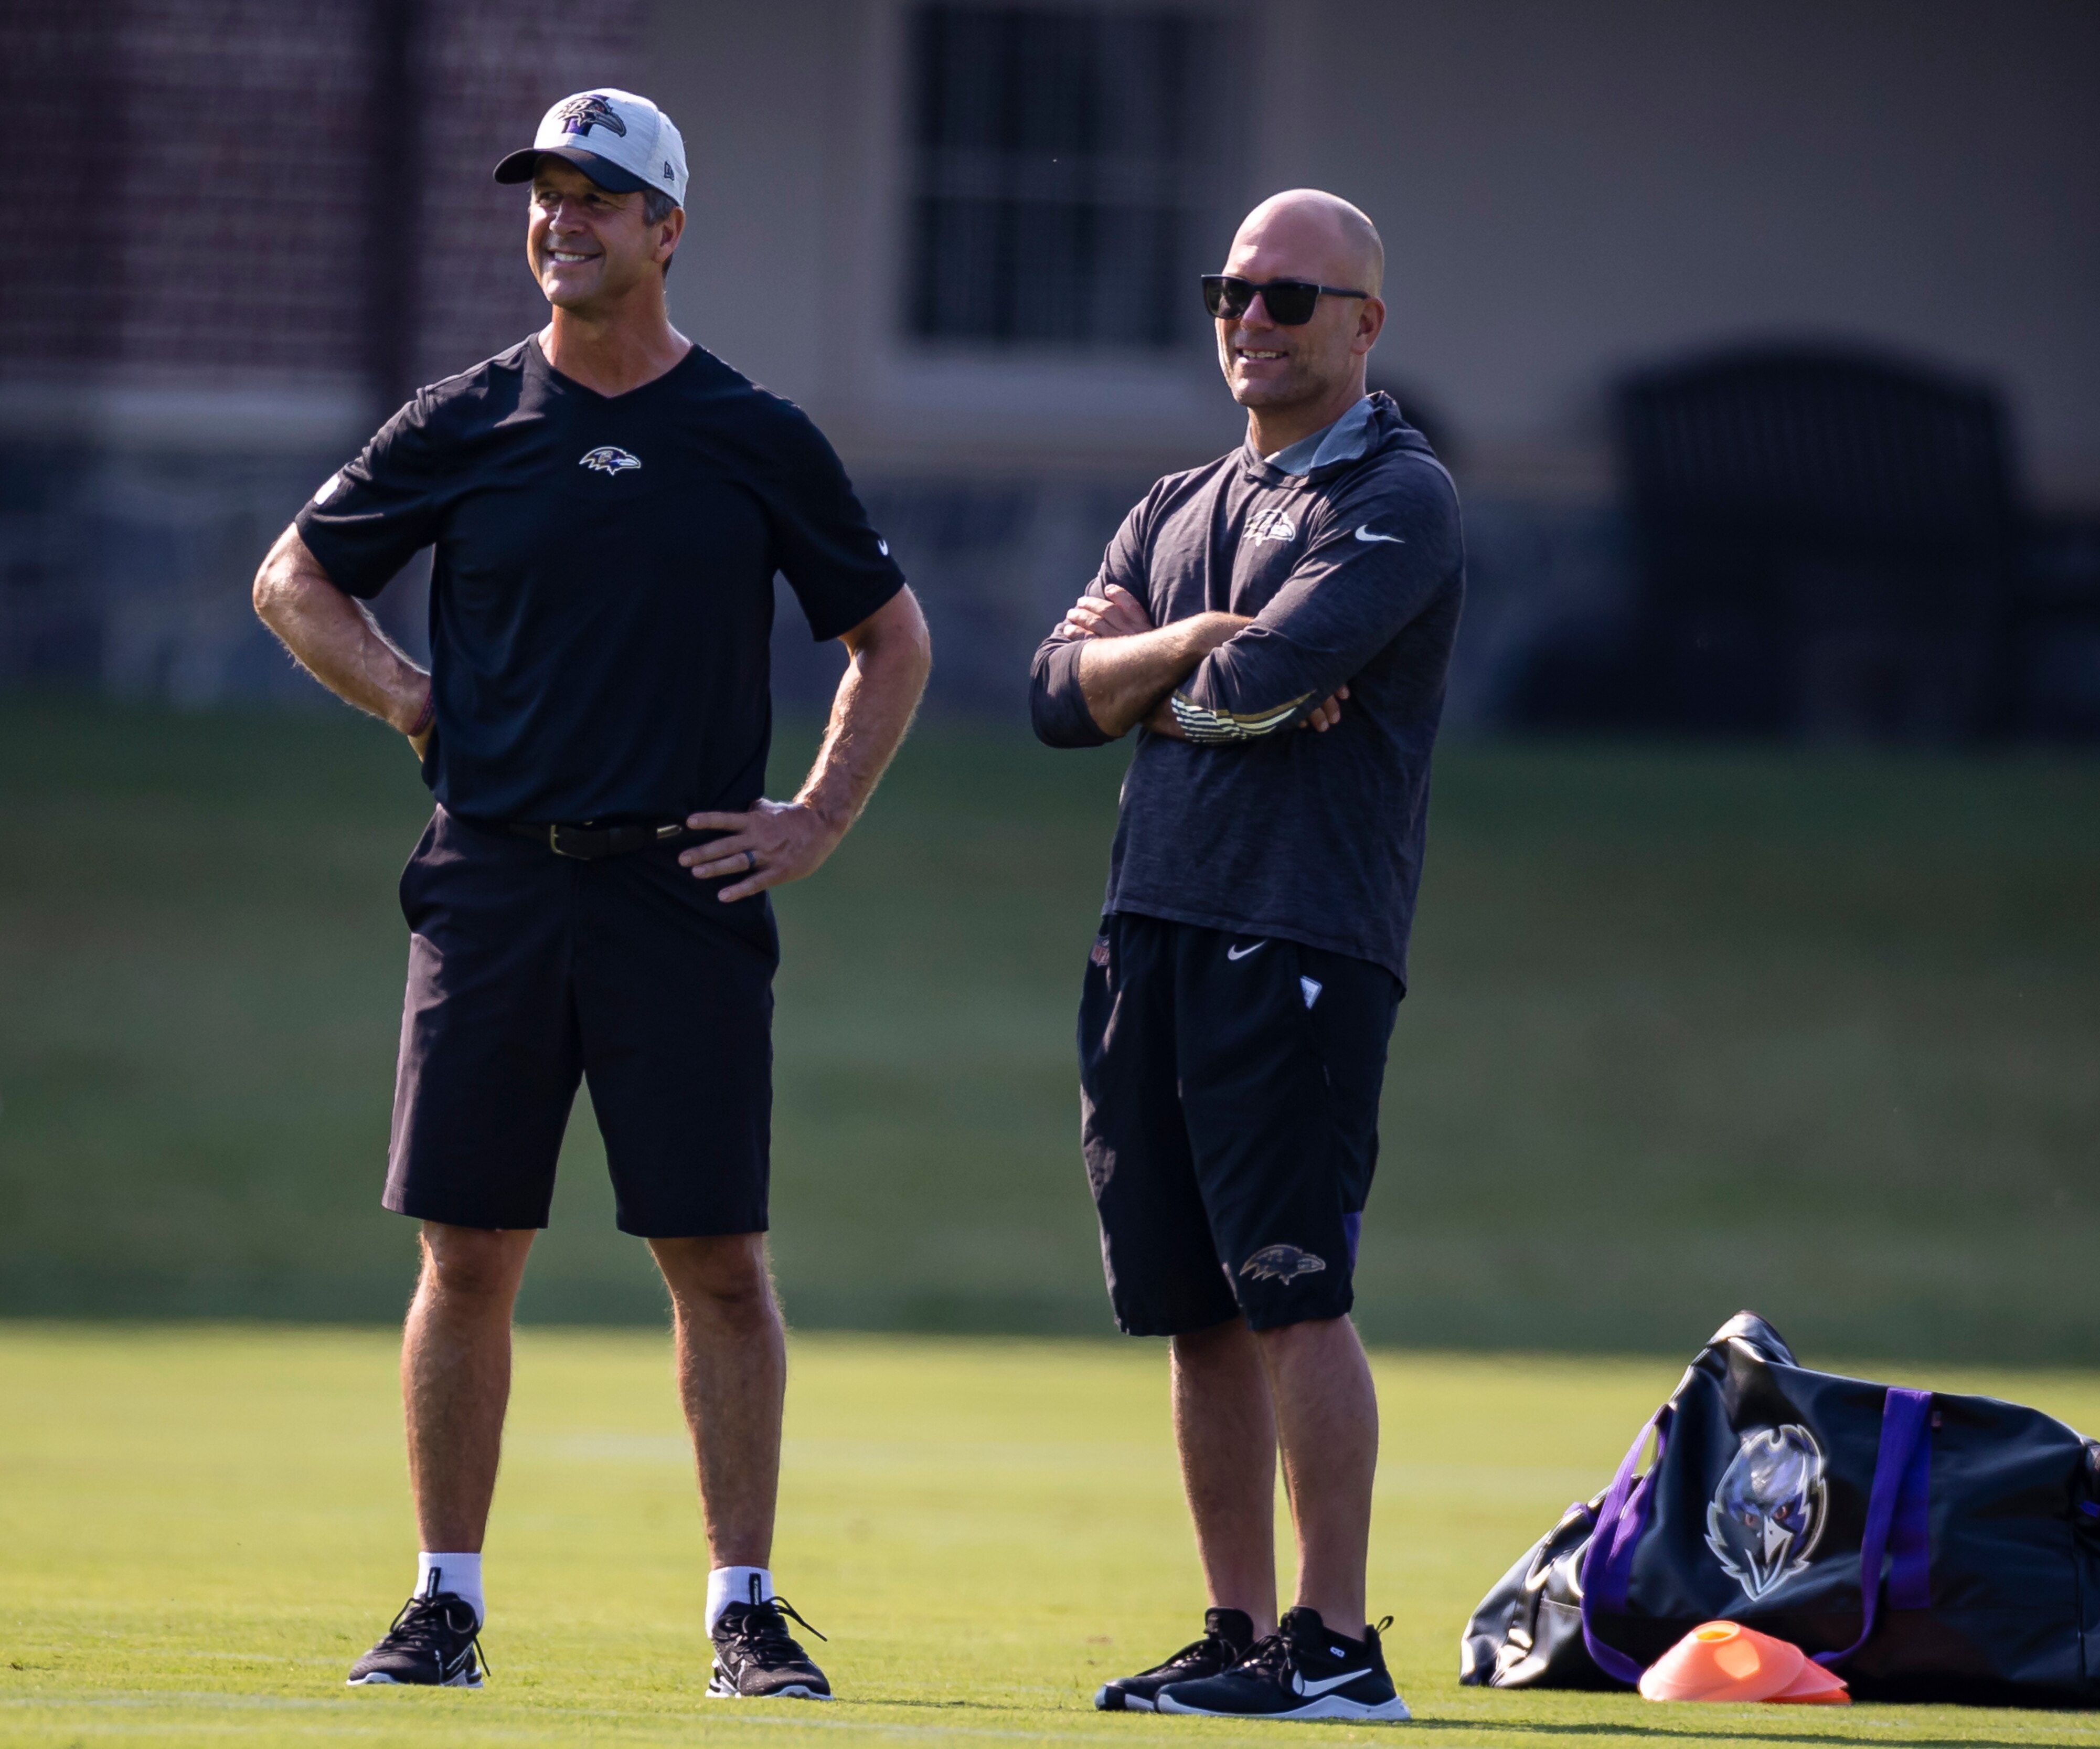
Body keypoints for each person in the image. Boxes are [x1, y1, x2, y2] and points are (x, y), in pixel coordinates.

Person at [249, 88, 930, 1700]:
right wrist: (415, 702)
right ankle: (443, 1605)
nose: (565, 221)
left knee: (715, 1258)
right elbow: (294, 576)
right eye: (546, 196)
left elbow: (887, 636)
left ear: (667, 229)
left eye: (601, 198)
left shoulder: (752, 433)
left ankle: (744, 1614)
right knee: (467, 1252)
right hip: (490, 882)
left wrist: (816, 818)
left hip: (678, 892)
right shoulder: (465, 419)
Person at [1027, 189, 1463, 1722]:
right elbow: (1051, 698)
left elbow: (1267, 689)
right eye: (1231, 293)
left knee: (1292, 1292)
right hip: (1150, 926)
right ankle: (1237, 1629)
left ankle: (1335, 1644)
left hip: (1300, 938)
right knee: (1190, 1310)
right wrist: (1194, 651)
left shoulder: (1400, 498)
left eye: (1291, 298)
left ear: (1365, 324)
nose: (1253, 321)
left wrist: (1170, 667)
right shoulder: (1175, 500)